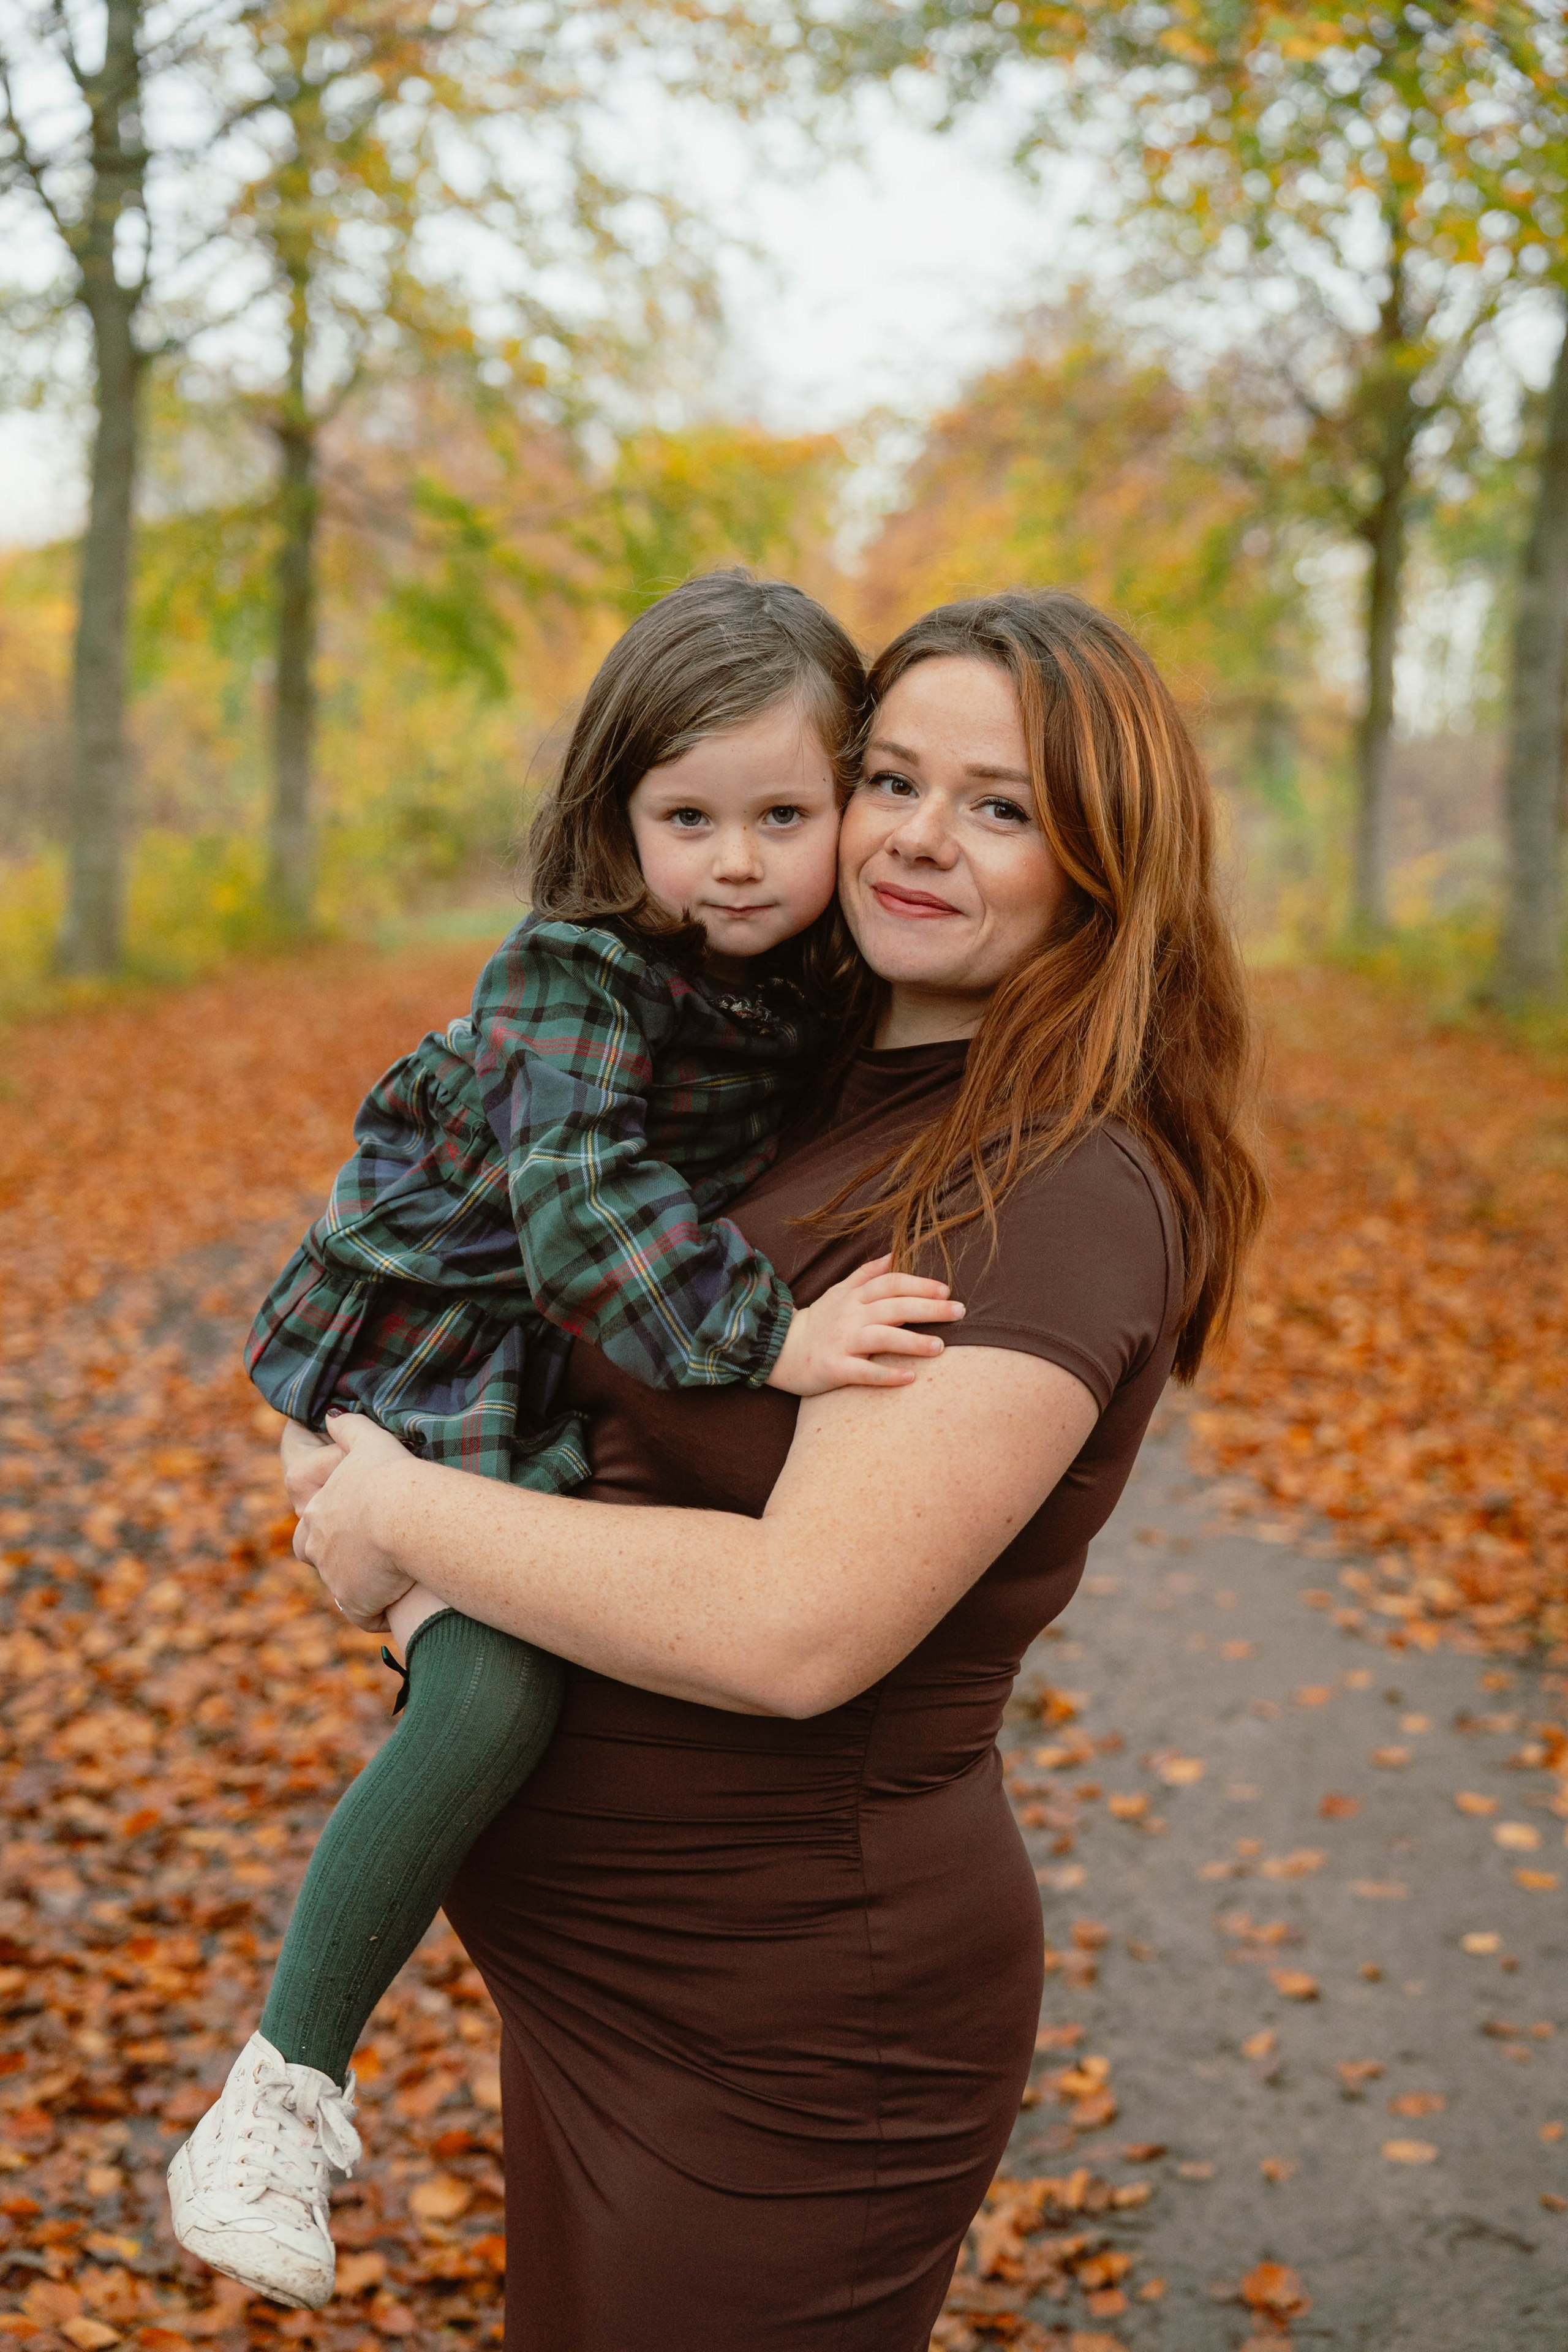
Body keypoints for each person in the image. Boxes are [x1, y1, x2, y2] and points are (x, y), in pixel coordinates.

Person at [288, 589, 1267, 2351]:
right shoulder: (797, 1081)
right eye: (890, 777)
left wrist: (400, 1512)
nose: (916, 836)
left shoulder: (1053, 1188)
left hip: (791, 2034)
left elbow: (798, 1626)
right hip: (625, 2000)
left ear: (1104, 863)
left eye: (1001, 804)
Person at [167, 572, 961, 2312]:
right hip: (438, 1342)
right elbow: (585, 1206)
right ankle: (280, 2086)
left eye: (784, 814)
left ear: (845, 811)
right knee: (498, 1684)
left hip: (552, 1357)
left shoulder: (820, 986)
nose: (737, 861)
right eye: (689, 818)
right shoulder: (574, 970)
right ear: (616, 818)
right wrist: (779, 1337)